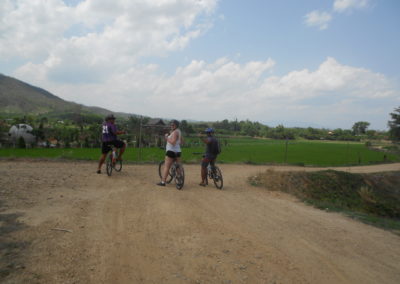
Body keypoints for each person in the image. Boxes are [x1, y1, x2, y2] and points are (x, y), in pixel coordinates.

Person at [157, 119, 183, 186]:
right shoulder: (179, 132)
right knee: (178, 166)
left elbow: (173, 142)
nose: (171, 126)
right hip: (178, 151)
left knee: (166, 167)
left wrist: (166, 138)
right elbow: (182, 142)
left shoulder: (174, 132)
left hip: (171, 151)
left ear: (176, 125)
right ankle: (180, 180)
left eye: (173, 125)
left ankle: (163, 182)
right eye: (171, 124)